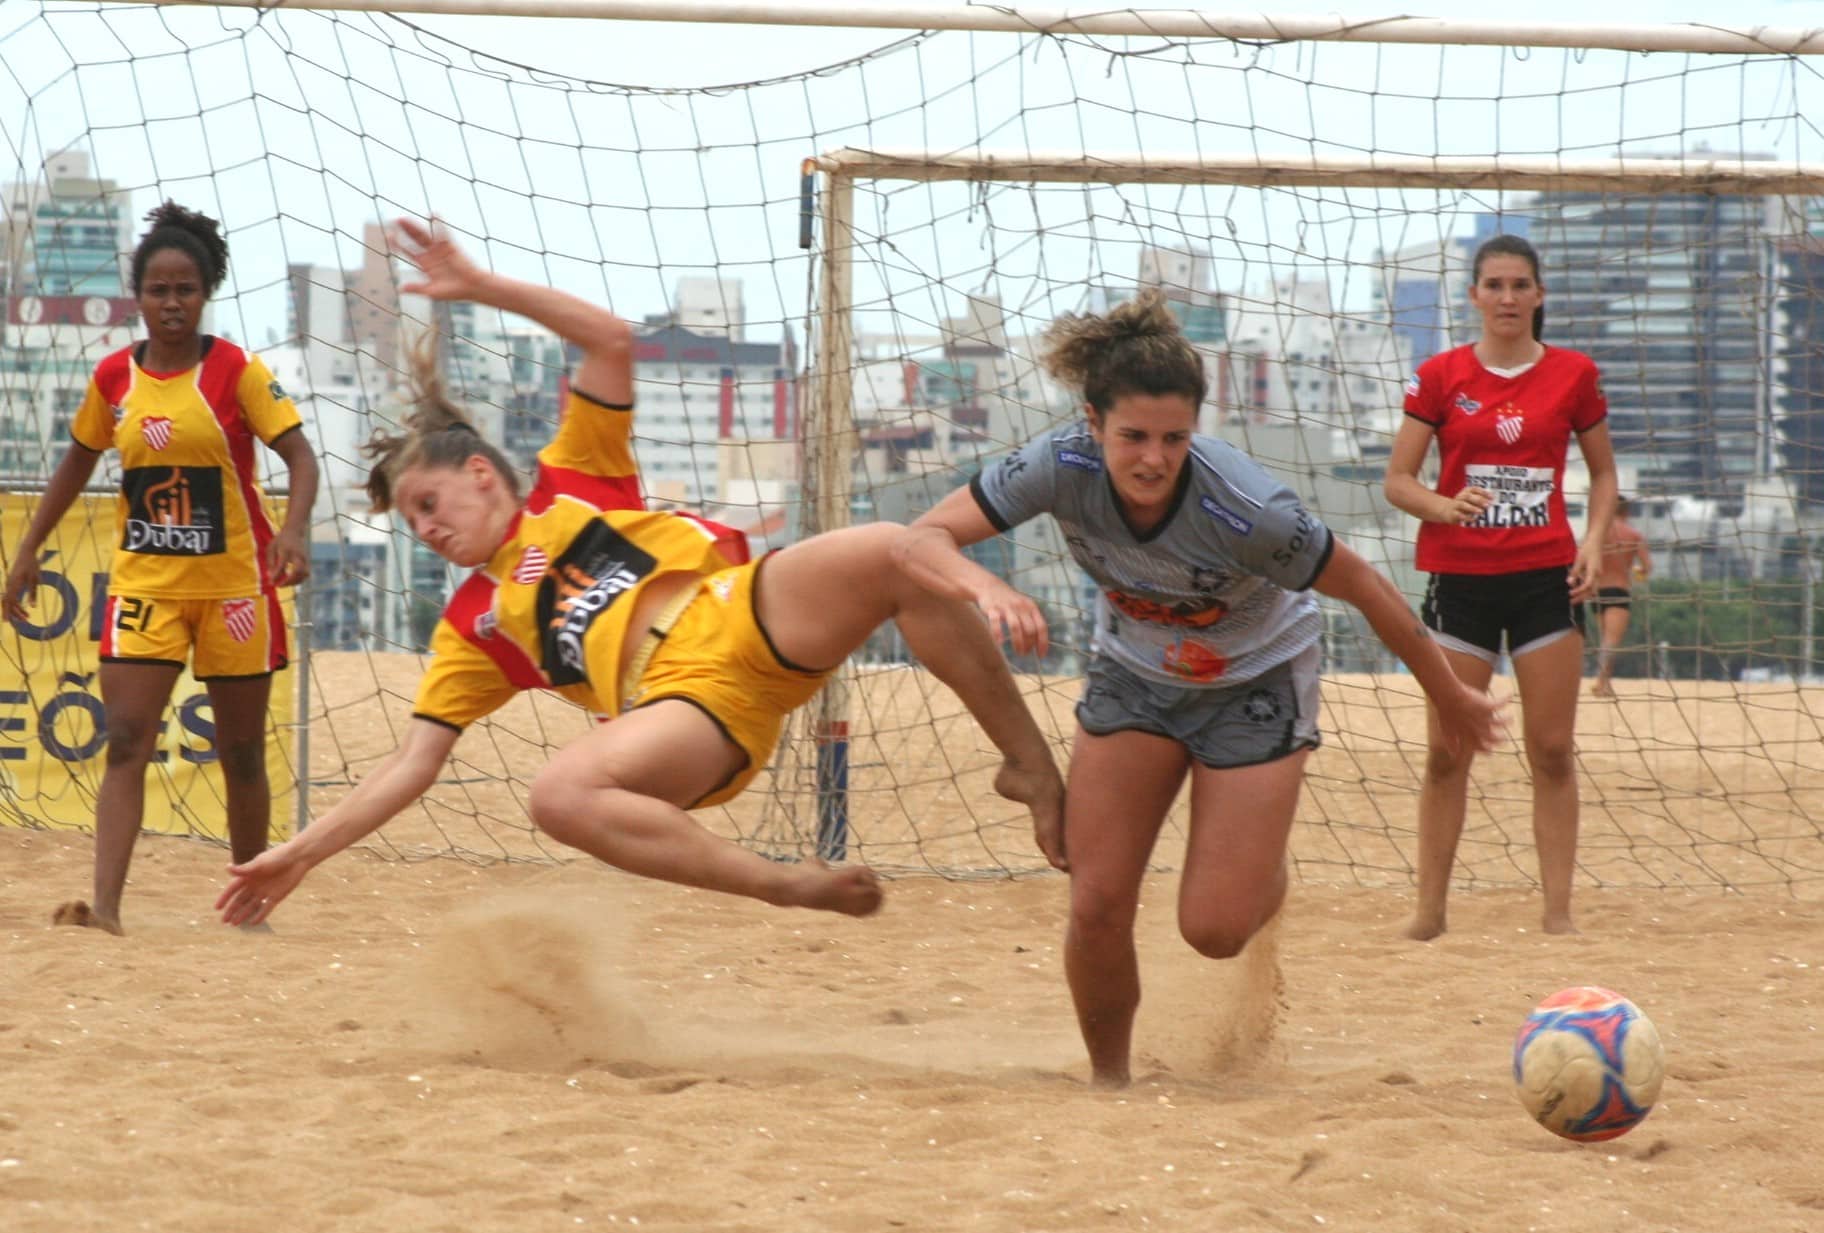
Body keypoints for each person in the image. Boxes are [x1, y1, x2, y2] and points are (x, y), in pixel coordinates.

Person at [216, 218, 1062, 927]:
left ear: (480, 473)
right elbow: (410, 766)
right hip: (685, 708)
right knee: (558, 795)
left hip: (748, 606)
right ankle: (779, 880)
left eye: (429, 504)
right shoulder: (475, 621)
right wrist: (298, 853)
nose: (427, 529)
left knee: (890, 548)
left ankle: (1030, 765)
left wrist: (478, 286)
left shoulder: (574, 477)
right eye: (412, 522)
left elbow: (611, 339)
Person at [893, 290, 1504, 1089]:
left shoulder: (1247, 509)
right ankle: (1110, 1079)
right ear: (1092, 423)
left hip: (1255, 677)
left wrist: (1451, 696)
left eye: (1175, 438)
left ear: (1196, 432)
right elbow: (921, 537)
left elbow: (1368, 589)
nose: (1152, 458)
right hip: (1137, 675)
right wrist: (987, 589)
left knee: (1214, 929)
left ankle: (1261, 872)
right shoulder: (1057, 464)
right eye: (1133, 437)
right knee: (1096, 902)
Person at [3, 200, 320, 935]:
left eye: (185, 289)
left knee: (241, 753)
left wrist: (294, 530)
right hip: (146, 588)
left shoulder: (237, 370)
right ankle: (105, 909)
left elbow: (300, 456)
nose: (171, 302)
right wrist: (27, 550)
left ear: (205, 293)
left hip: (235, 591)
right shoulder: (114, 376)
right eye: (158, 289)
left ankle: (247, 911)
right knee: (124, 740)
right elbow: (76, 461)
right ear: (137, 296)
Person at [1383, 233, 1618, 941]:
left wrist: (1594, 539)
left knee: (1550, 748)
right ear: (1474, 296)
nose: (1508, 297)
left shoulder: (1574, 374)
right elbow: (1397, 480)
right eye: (1495, 285)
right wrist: (1440, 505)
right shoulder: (1440, 375)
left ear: (1539, 295)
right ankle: (1430, 912)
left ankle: (1557, 913)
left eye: (1521, 285)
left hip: (1545, 579)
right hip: (1462, 582)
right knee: (1447, 749)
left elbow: (1604, 473)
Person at [1589, 497, 1651, 698]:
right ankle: (1601, 682)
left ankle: (1604, 682)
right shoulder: (1633, 534)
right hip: (1619, 589)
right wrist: (1637, 571)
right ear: (1627, 512)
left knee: (1604, 638)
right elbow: (1647, 566)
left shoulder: (1596, 533)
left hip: (1597, 591)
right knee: (1611, 641)